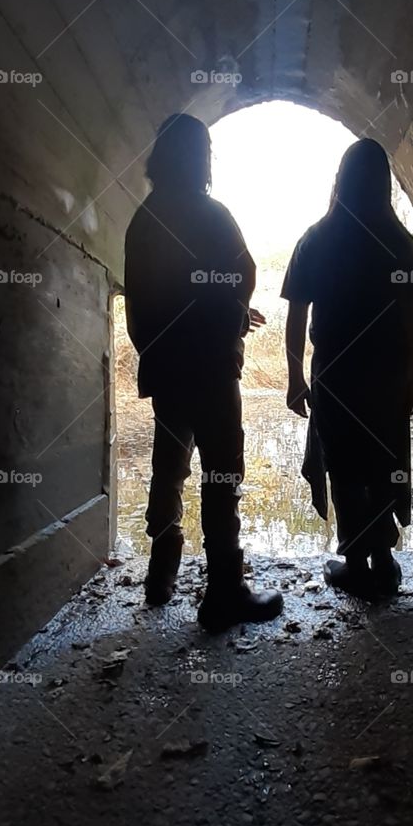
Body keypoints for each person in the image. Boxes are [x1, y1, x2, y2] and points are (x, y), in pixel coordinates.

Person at [124, 113, 283, 630]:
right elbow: (243, 273)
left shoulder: (143, 222)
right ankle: (222, 591)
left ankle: (161, 571)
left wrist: (160, 351)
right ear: (201, 159)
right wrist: (233, 316)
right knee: (220, 474)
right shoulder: (211, 214)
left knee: (168, 465)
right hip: (212, 369)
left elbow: (144, 307)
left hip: (169, 369)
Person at [281, 138, 413, 596]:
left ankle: (356, 565)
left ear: (339, 180)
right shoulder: (399, 242)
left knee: (344, 468)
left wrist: (295, 377)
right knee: (384, 464)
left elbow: (296, 313)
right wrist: (410, 378)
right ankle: (384, 559)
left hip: (336, 376)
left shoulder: (318, 239)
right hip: (385, 378)